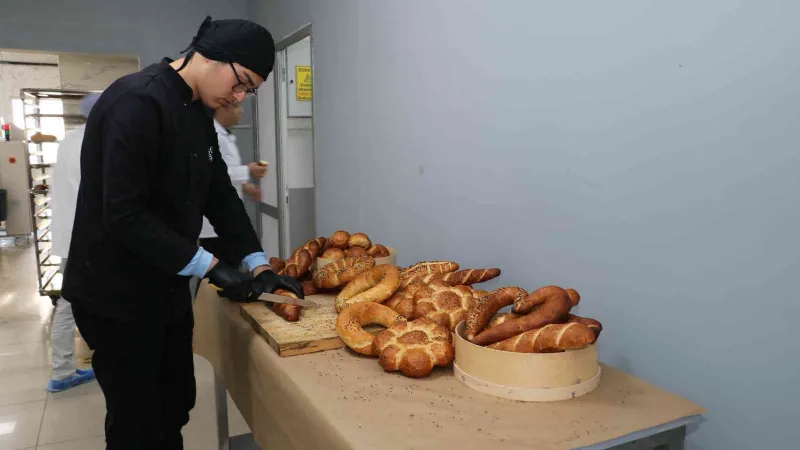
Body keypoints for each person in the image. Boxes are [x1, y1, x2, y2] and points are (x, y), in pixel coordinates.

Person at [61, 16, 303, 449]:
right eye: (241, 83)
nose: (238, 96)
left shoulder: (195, 112)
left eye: (248, 90)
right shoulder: (136, 102)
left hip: (163, 284)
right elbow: (124, 215)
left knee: (175, 401)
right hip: (115, 294)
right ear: (209, 54)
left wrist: (257, 263)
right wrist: (210, 265)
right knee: (138, 420)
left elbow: (219, 197)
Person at [46, 93, 102, 392]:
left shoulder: (70, 140)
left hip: (72, 237)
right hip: (87, 240)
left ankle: (63, 369)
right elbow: (97, 196)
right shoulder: (92, 143)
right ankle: (63, 371)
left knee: (72, 302)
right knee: (72, 304)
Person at [198, 102, 266, 268]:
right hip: (214, 224)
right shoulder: (211, 134)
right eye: (236, 106)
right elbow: (211, 173)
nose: (241, 111)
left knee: (227, 268)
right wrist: (247, 170)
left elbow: (226, 171)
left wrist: (245, 186)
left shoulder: (224, 134)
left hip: (225, 217)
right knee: (218, 273)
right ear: (221, 108)